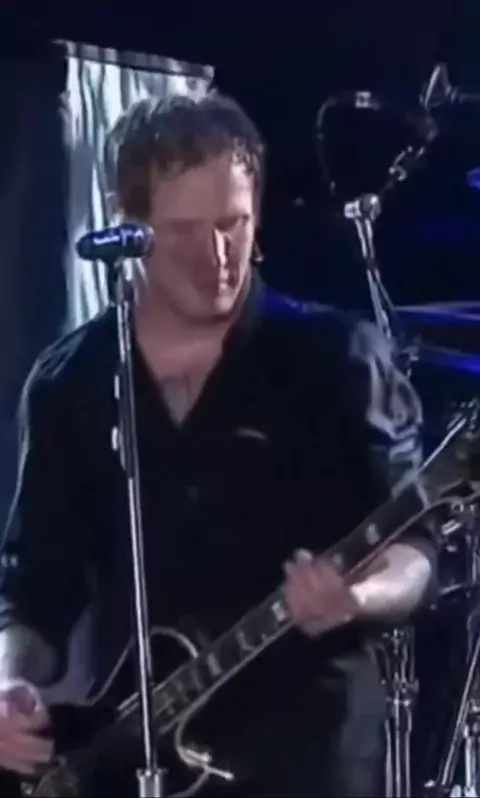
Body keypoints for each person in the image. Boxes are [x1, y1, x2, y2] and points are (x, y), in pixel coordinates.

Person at [0, 92, 436, 796]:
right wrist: (9, 680)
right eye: (183, 232)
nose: (217, 256)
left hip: (310, 760)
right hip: (134, 757)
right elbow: (35, 586)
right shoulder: (73, 381)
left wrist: (358, 597)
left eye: (234, 223)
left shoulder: (337, 359)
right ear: (128, 226)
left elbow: (417, 550)